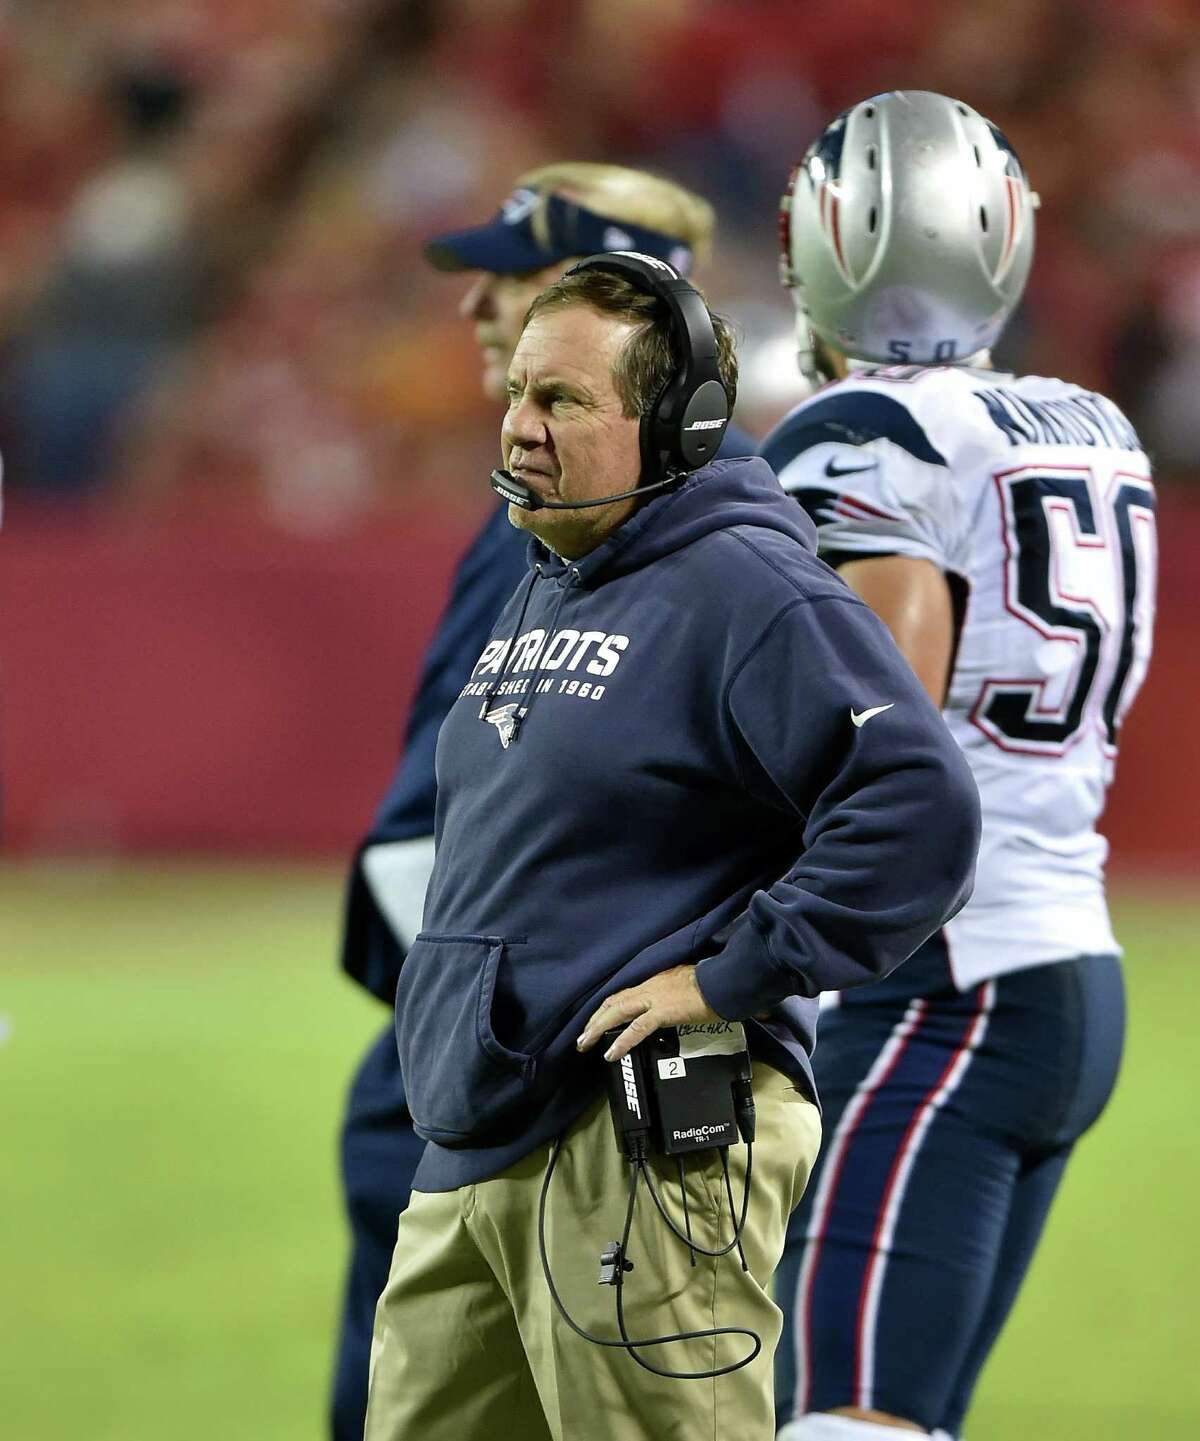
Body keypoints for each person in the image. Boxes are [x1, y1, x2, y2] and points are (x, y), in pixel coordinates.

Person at [362, 252, 980, 1441]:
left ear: (680, 426)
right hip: (481, 1133)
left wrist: (728, 977)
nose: (522, 427)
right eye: (519, 393)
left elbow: (917, 802)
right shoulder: (555, 574)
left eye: (565, 401)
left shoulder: (747, 585)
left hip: (637, 1149)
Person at [331, 163, 756, 1441]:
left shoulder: (681, 530)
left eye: (516, 282)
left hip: (540, 1051)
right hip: (486, 1024)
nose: (475, 311)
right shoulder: (555, 505)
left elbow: (880, 795)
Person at [766, 92, 1157, 1441]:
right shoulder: (1089, 422)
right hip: (1064, 967)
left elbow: (873, 751)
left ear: (821, 245)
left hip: (943, 988)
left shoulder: (863, 429)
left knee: (845, 1419)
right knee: (903, 1414)